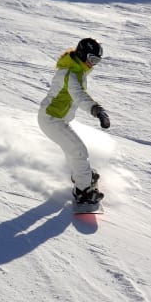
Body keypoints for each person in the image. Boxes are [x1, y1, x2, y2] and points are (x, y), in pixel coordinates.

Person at [38, 37, 110, 205]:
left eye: (97, 61)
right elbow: (79, 96)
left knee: (73, 150)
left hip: (56, 119)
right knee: (79, 151)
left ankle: (82, 176)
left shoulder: (75, 69)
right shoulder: (71, 73)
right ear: (83, 54)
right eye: (92, 59)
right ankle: (83, 192)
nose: (93, 65)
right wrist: (97, 110)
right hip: (51, 119)